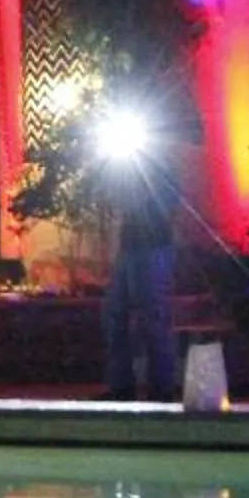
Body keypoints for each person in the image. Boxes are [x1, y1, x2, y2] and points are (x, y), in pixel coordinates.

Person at [98, 67, 201, 401]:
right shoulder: (133, 164)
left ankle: (161, 386)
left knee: (153, 316)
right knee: (115, 314)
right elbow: (120, 197)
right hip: (132, 246)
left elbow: (166, 201)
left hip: (153, 245)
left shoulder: (161, 165)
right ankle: (122, 385)